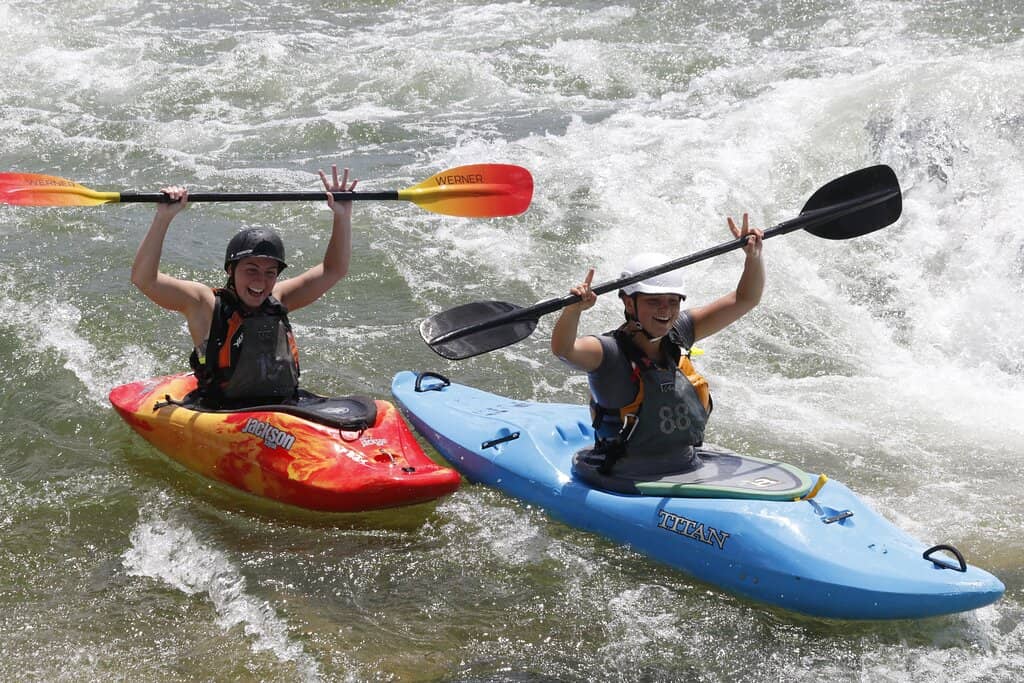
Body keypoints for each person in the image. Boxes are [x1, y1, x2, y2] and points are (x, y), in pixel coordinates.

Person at [550, 214, 765, 475]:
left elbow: (745, 299)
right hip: (624, 474)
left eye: (673, 301)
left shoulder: (680, 332)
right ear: (629, 303)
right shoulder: (608, 352)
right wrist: (573, 311)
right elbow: (564, 350)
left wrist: (753, 257)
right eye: (654, 301)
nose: (665, 310)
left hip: (686, 463)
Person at [130, 164, 358, 408]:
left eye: (270, 273)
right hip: (223, 413)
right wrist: (163, 217)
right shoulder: (205, 305)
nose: (261, 282)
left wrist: (342, 216)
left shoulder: (279, 299)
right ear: (231, 270)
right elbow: (145, 279)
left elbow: (334, 270)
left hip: (282, 407)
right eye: (251, 270)